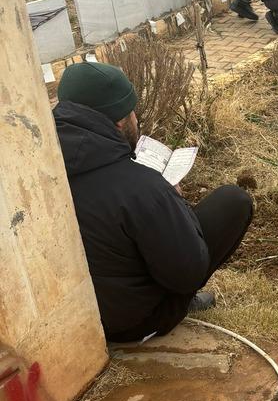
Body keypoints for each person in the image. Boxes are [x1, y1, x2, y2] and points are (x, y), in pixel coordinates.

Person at [53, 62, 254, 343]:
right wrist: (175, 201)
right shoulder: (142, 187)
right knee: (233, 200)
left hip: (79, 316)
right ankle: (182, 304)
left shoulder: (43, 166)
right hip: (134, 322)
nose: (136, 118)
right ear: (120, 120)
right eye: (132, 110)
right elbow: (186, 274)